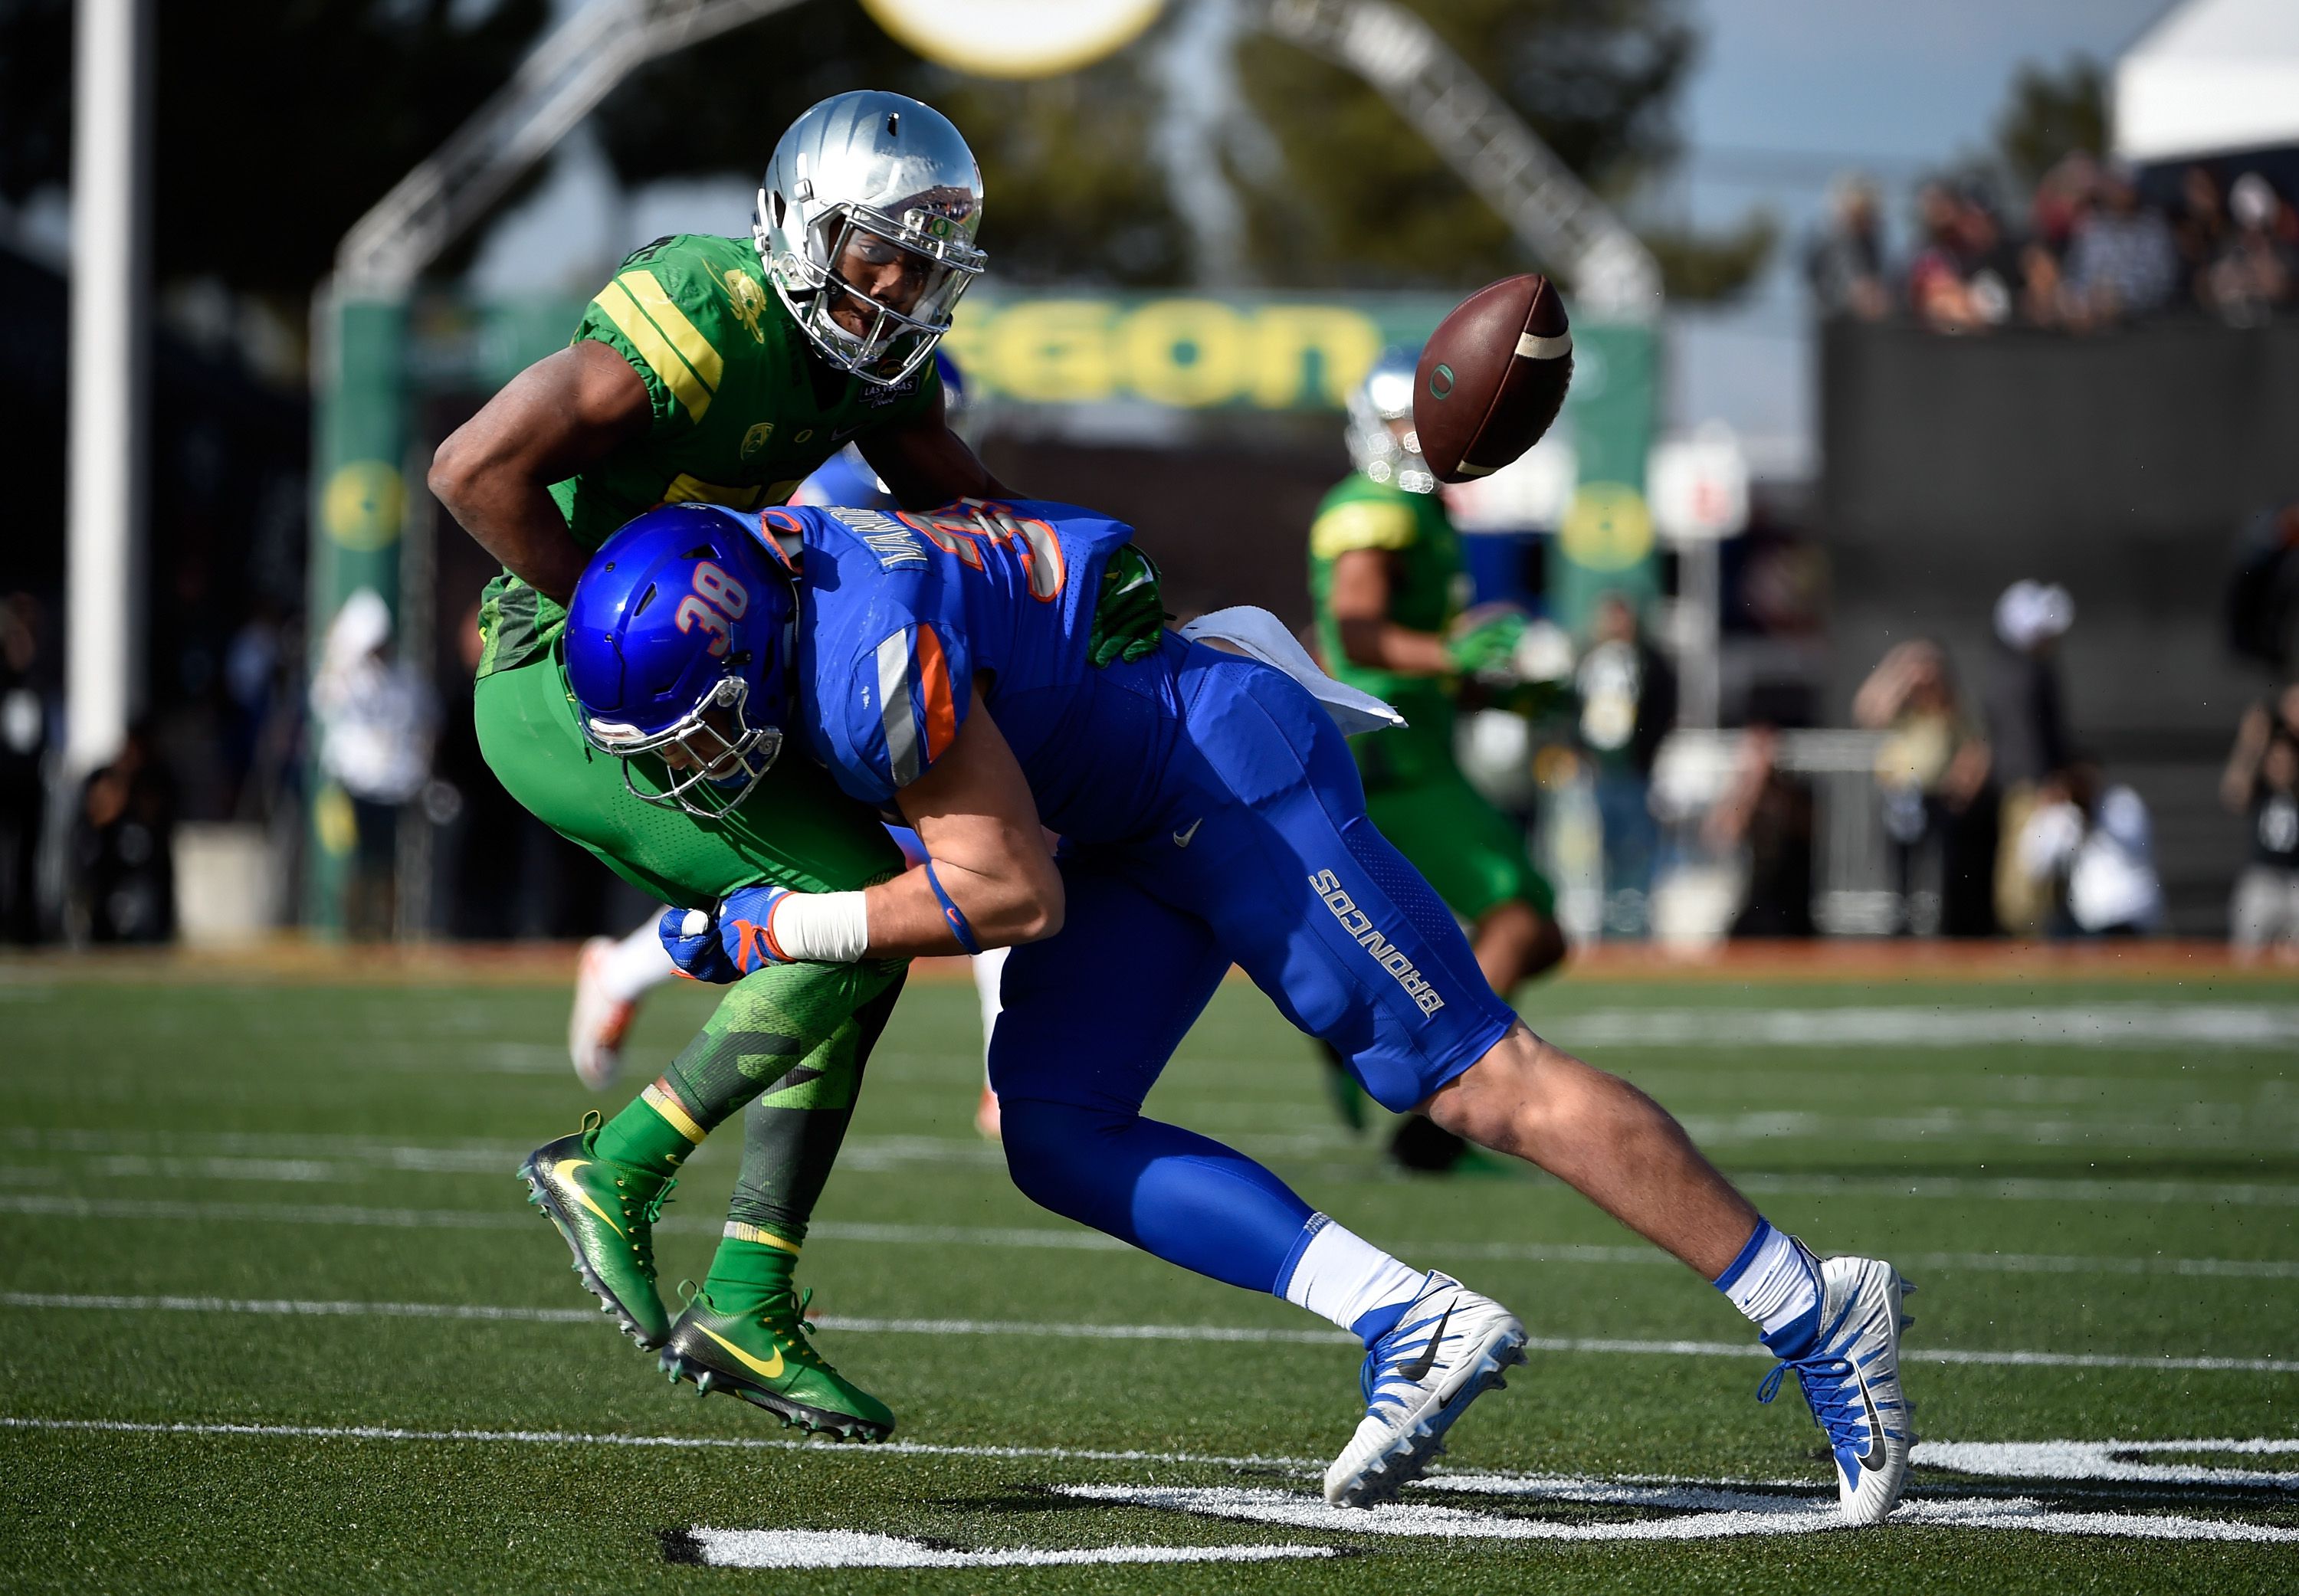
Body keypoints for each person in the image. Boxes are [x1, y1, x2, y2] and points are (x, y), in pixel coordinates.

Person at [564, 496, 1920, 1526]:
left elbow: (1007, 890)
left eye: (694, 732)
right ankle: (1409, 1317)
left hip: (1213, 766)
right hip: (1115, 807)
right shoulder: (773, 566)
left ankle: (1814, 1304)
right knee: (1054, 1124)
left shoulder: (863, 657)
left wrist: (767, 923)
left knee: (1474, 1078)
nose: (693, 770)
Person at [434, 90, 1163, 1442]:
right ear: (798, 227)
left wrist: (1082, 582)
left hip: (709, 690)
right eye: (876, 254)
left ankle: (750, 1293)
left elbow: (951, 486)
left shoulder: (866, 359)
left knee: (884, 903)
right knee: (867, 909)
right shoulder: (706, 314)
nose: (896, 290)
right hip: (561, 689)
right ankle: (621, 1162)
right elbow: (473, 467)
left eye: (921, 267)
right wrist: (612, 622)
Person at [566, 352, 1013, 1145]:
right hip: (828, 702)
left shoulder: (863, 480)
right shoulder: (847, 490)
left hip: (872, 697)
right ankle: (625, 972)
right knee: (917, 873)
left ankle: (998, 1077)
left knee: (964, 866)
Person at [1306, 346, 1566, 1169]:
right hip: (1390, 760)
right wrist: (1459, 656)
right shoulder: (1369, 507)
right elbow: (1358, 633)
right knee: (1521, 915)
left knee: (1528, 929)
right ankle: (1441, 1098)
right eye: (1400, 424)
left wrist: (1492, 685)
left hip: (1420, 749)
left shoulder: (1429, 514)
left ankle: (1389, 1051)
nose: (1416, 440)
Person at [1855, 640, 1995, 936]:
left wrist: (1964, 782)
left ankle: (1950, 930)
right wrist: (1900, 671)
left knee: (1948, 868)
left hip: (1940, 795)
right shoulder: (1903, 705)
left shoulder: (1950, 705)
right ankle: (1902, 931)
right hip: (1903, 797)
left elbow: (1975, 744)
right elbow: (1867, 712)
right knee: (1903, 870)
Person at [1576, 592, 1674, 937]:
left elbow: (1661, 709)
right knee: (1607, 848)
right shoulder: (1592, 660)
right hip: (1604, 772)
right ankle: (1611, 924)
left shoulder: (1647, 662)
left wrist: (1646, 753)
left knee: (1638, 847)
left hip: (1635, 771)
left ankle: (1637, 924)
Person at [1983, 580, 2074, 936]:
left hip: (2028, 785)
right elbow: (2026, 734)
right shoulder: (2023, 674)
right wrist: (2045, 782)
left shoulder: (2019, 669)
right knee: (2026, 884)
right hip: (2029, 788)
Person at [2015, 759, 2163, 937]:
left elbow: (2129, 842)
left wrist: (2090, 811)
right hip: (2087, 921)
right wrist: (2046, 815)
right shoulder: (2065, 814)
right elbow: (2034, 865)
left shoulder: (2121, 802)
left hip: (2129, 915)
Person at [2224, 687, 2299, 956]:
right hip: (2263, 876)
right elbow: (2234, 794)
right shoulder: (2262, 788)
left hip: (2296, 879)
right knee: (2248, 948)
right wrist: (2251, 743)